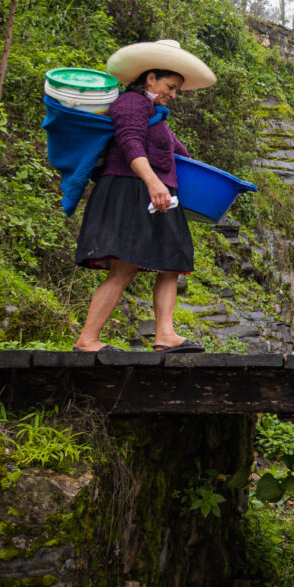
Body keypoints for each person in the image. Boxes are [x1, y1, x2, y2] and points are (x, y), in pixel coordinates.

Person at [71, 39, 216, 354]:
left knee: (171, 262)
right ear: (150, 77)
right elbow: (129, 142)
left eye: (177, 89)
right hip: (130, 189)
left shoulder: (157, 116)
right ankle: (87, 340)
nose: (174, 94)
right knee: (123, 267)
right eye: (170, 86)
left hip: (159, 195)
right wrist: (153, 182)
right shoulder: (131, 104)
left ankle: (165, 334)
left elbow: (182, 156)